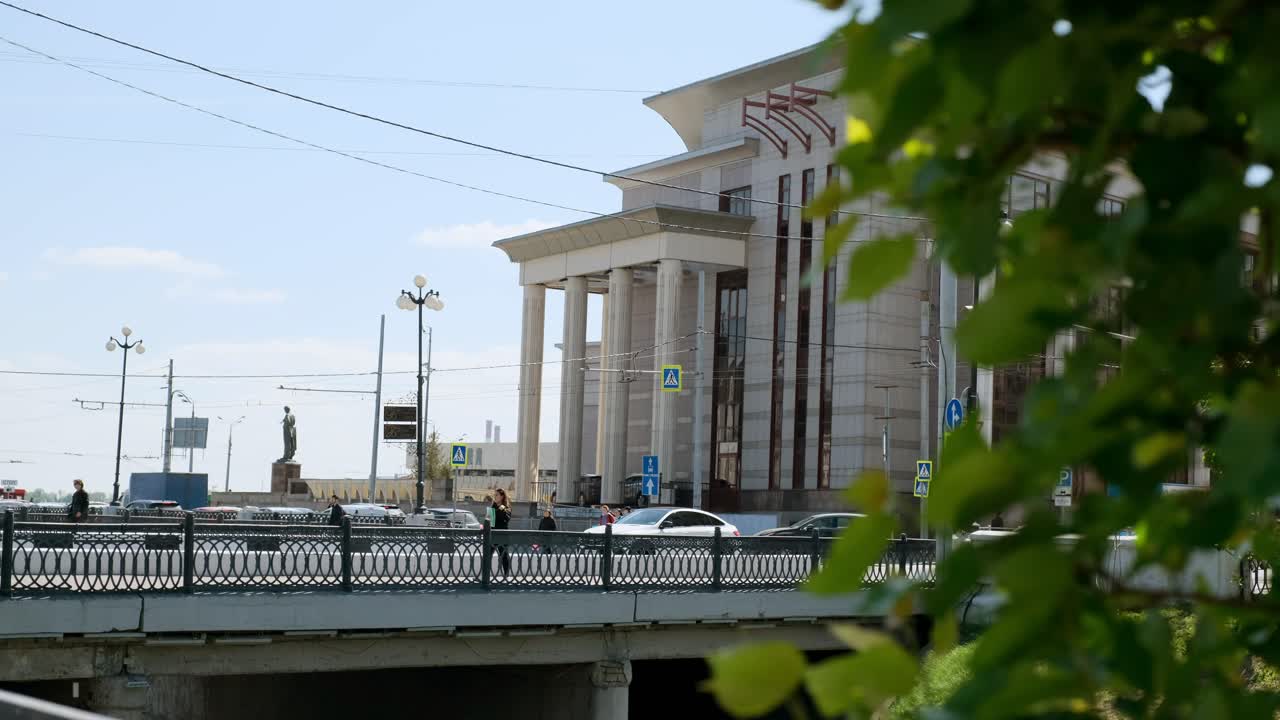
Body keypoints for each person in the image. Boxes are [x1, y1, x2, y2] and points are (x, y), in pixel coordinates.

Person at [491, 488, 512, 574]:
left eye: (497, 495)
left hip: (502, 535)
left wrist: (500, 509)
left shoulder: (507, 508)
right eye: (494, 495)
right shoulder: (492, 507)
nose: (495, 497)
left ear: (502, 496)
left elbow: (506, 519)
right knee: (487, 555)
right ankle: (484, 576)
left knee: (503, 555)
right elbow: (490, 521)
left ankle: (506, 575)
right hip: (492, 535)